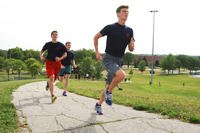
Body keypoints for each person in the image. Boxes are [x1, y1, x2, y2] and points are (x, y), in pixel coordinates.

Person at [94, 5, 135, 115]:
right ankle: (109, 92)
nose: (126, 13)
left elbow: (131, 49)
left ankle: (98, 104)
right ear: (118, 14)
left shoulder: (130, 30)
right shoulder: (110, 27)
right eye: (123, 11)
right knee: (121, 75)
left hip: (119, 60)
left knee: (109, 85)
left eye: (127, 12)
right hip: (108, 59)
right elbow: (95, 37)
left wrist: (132, 44)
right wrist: (97, 52)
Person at [40, 31, 67, 103]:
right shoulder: (48, 44)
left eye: (56, 35)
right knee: (51, 77)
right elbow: (42, 51)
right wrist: (41, 56)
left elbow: (65, 54)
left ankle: (48, 83)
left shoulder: (61, 45)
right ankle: (52, 96)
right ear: (51, 36)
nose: (55, 36)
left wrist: (60, 58)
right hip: (49, 62)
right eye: (54, 35)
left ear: (57, 36)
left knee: (53, 79)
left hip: (57, 64)